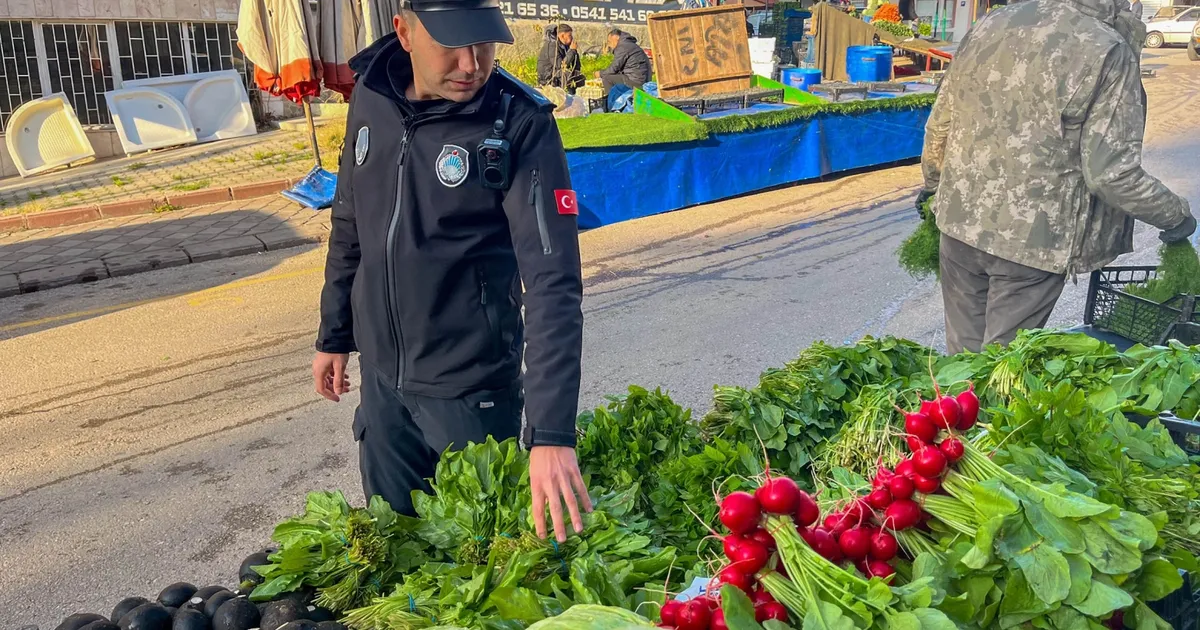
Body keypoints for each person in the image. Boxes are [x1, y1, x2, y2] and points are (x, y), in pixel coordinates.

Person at [312, 0, 592, 543]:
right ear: (405, 31)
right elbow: (351, 221)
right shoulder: (371, 95)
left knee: (482, 569)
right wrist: (334, 333)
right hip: (383, 389)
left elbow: (554, 281)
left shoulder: (519, 124)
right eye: (451, 45)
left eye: (483, 44)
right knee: (395, 557)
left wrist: (551, 432)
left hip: (471, 397)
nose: (471, 64)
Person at [918, 0, 1195, 355]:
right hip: (1030, 244)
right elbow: (1111, 173)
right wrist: (1175, 215)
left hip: (957, 228)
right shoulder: (1106, 47)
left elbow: (941, 122)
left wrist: (932, 184)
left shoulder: (992, 22)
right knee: (998, 371)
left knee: (962, 361)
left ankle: (953, 411)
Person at [595, 29, 652, 93]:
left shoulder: (622, 47)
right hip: (641, 78)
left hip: (636, 80)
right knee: (614, 76)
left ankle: (612, 101)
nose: (610, 45)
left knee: (607, 79)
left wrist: (600, 73)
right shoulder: (629, 44)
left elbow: (614, 68)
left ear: (616, 38)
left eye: (610, 42)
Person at [536, 23, 584, 94]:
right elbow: (561, 65)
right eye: (569, 35)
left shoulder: (564, 45)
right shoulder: (552, 46)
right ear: (562, 36)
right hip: (548, 75)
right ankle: (568, 95)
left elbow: (575, 64)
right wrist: (572, 51)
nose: (571, 38)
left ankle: (577, 96)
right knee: (567, 75)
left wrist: (574, 52)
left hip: (556, 72)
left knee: (579, 77)